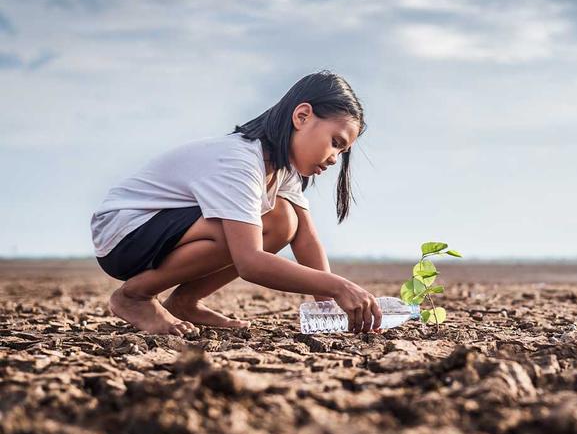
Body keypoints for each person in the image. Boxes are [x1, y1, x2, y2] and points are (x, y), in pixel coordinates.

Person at [90, 70, 382, 336]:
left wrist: (329, 308)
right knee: (234, 229)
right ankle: (134, 296)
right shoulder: (240, 161)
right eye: (336, 142)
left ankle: (184, 301)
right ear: (302, 116)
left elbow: (306, 238)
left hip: (160, 230)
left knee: (283, 220)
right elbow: (250, 262)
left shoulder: (281, 169)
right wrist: (339, 286)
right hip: (125, 233)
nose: (334, 158)